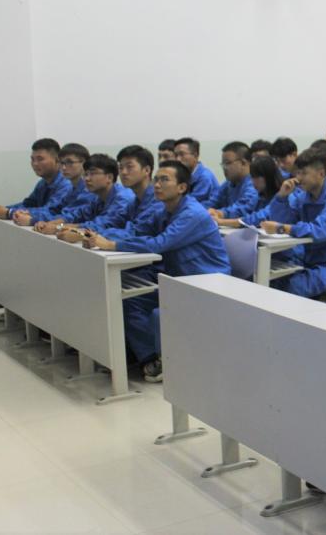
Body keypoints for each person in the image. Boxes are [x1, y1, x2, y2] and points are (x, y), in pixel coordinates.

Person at [83, 160, 231, 382]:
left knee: (149, 307)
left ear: (182, 187)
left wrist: (111, 245)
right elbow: (136, 231)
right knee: (128, 300)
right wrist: (95, 236)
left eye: (164, 180)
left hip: (207, 282)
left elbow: (158, 244)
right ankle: (151, 358)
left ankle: (162, 359)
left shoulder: (192, 214)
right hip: (178, 279)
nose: (157, 185)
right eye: (156, 180)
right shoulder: (163, 210)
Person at [263, 148, 326, 298]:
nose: (298, 178)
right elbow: (285, 221)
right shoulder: (304, 197)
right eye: (297, 173)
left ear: (321, 174)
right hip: (312, 260)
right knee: (270, 280)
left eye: (304, 173)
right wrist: (281, 198)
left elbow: (320, 231)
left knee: (291, 288)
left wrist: (282, 228)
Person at [34, 153, 135, 239]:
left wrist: (59, 227)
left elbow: (102, 224)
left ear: (109, 177)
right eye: (85, 174)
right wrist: (51, 223)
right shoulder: (98, 197)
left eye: (92, 174)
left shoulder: (123, 198)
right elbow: (77, 215)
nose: (87, 179)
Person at [0, 138, 72, 224]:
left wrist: (9, 213)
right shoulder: (42, 183)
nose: (35, 163)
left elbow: (50, 211)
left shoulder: (67, 184)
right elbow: (28, 204)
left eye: (40, 159)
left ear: (57, 160)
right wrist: (4, 209)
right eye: (33, 159)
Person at [208, 141, 259, 220]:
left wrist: (220, 213)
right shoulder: (228, 183)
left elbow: (243, 208)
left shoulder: (255, 183)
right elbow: (213, 201)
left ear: (243, 163)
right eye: (223, 164)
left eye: (227, 163)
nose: (224, 168)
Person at [173, 137, 219, 207]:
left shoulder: (204, 177)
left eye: (182, 154)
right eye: (176, 155)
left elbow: (189, 204)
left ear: (195, 155)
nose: (178, 159)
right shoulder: (185, 175)